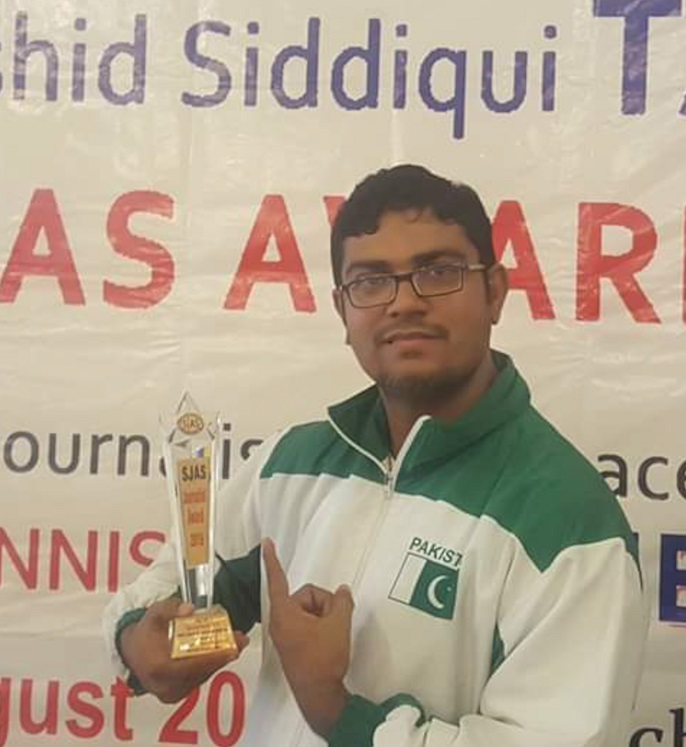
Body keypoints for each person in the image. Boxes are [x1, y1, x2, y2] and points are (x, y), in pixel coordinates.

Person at [103, 164, 647, 746]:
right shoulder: (291, 462)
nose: (404, 303)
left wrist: (336, 709)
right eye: (370, 281)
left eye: (438, 272)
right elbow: (190, 593)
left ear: (495, 291)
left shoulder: (568, 520)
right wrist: (142, 640)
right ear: (343, 311)